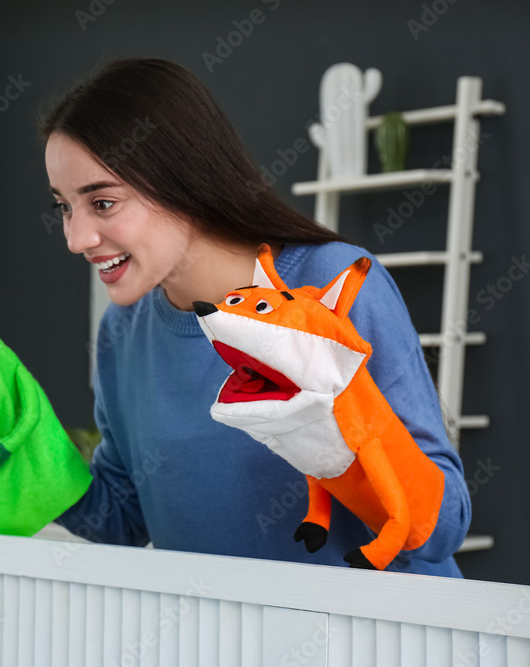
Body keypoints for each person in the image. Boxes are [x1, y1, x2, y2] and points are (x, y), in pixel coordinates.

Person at [36, 56, 471, 576]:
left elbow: (445, 526)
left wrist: (344, 441)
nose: (76, 238)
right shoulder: (123, 332)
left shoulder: (333, 285)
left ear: (182, 180)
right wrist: (14, 444)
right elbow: (124, 518)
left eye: (102, 203)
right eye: (64, 205)